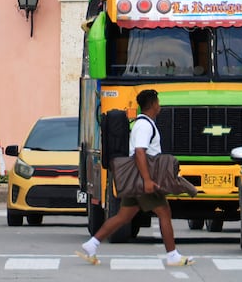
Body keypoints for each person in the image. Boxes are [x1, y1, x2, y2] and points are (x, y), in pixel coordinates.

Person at [78, 89, 192, 267]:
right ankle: (172, 256)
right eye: (158, 102)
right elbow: (140, 152)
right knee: (164, 212)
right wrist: (147, 180)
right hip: (143, 178)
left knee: (123, 216)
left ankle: (92, 244)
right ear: (153, 104)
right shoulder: (144, 125)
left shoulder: (144, 124)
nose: (159, 106)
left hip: (138, 178)